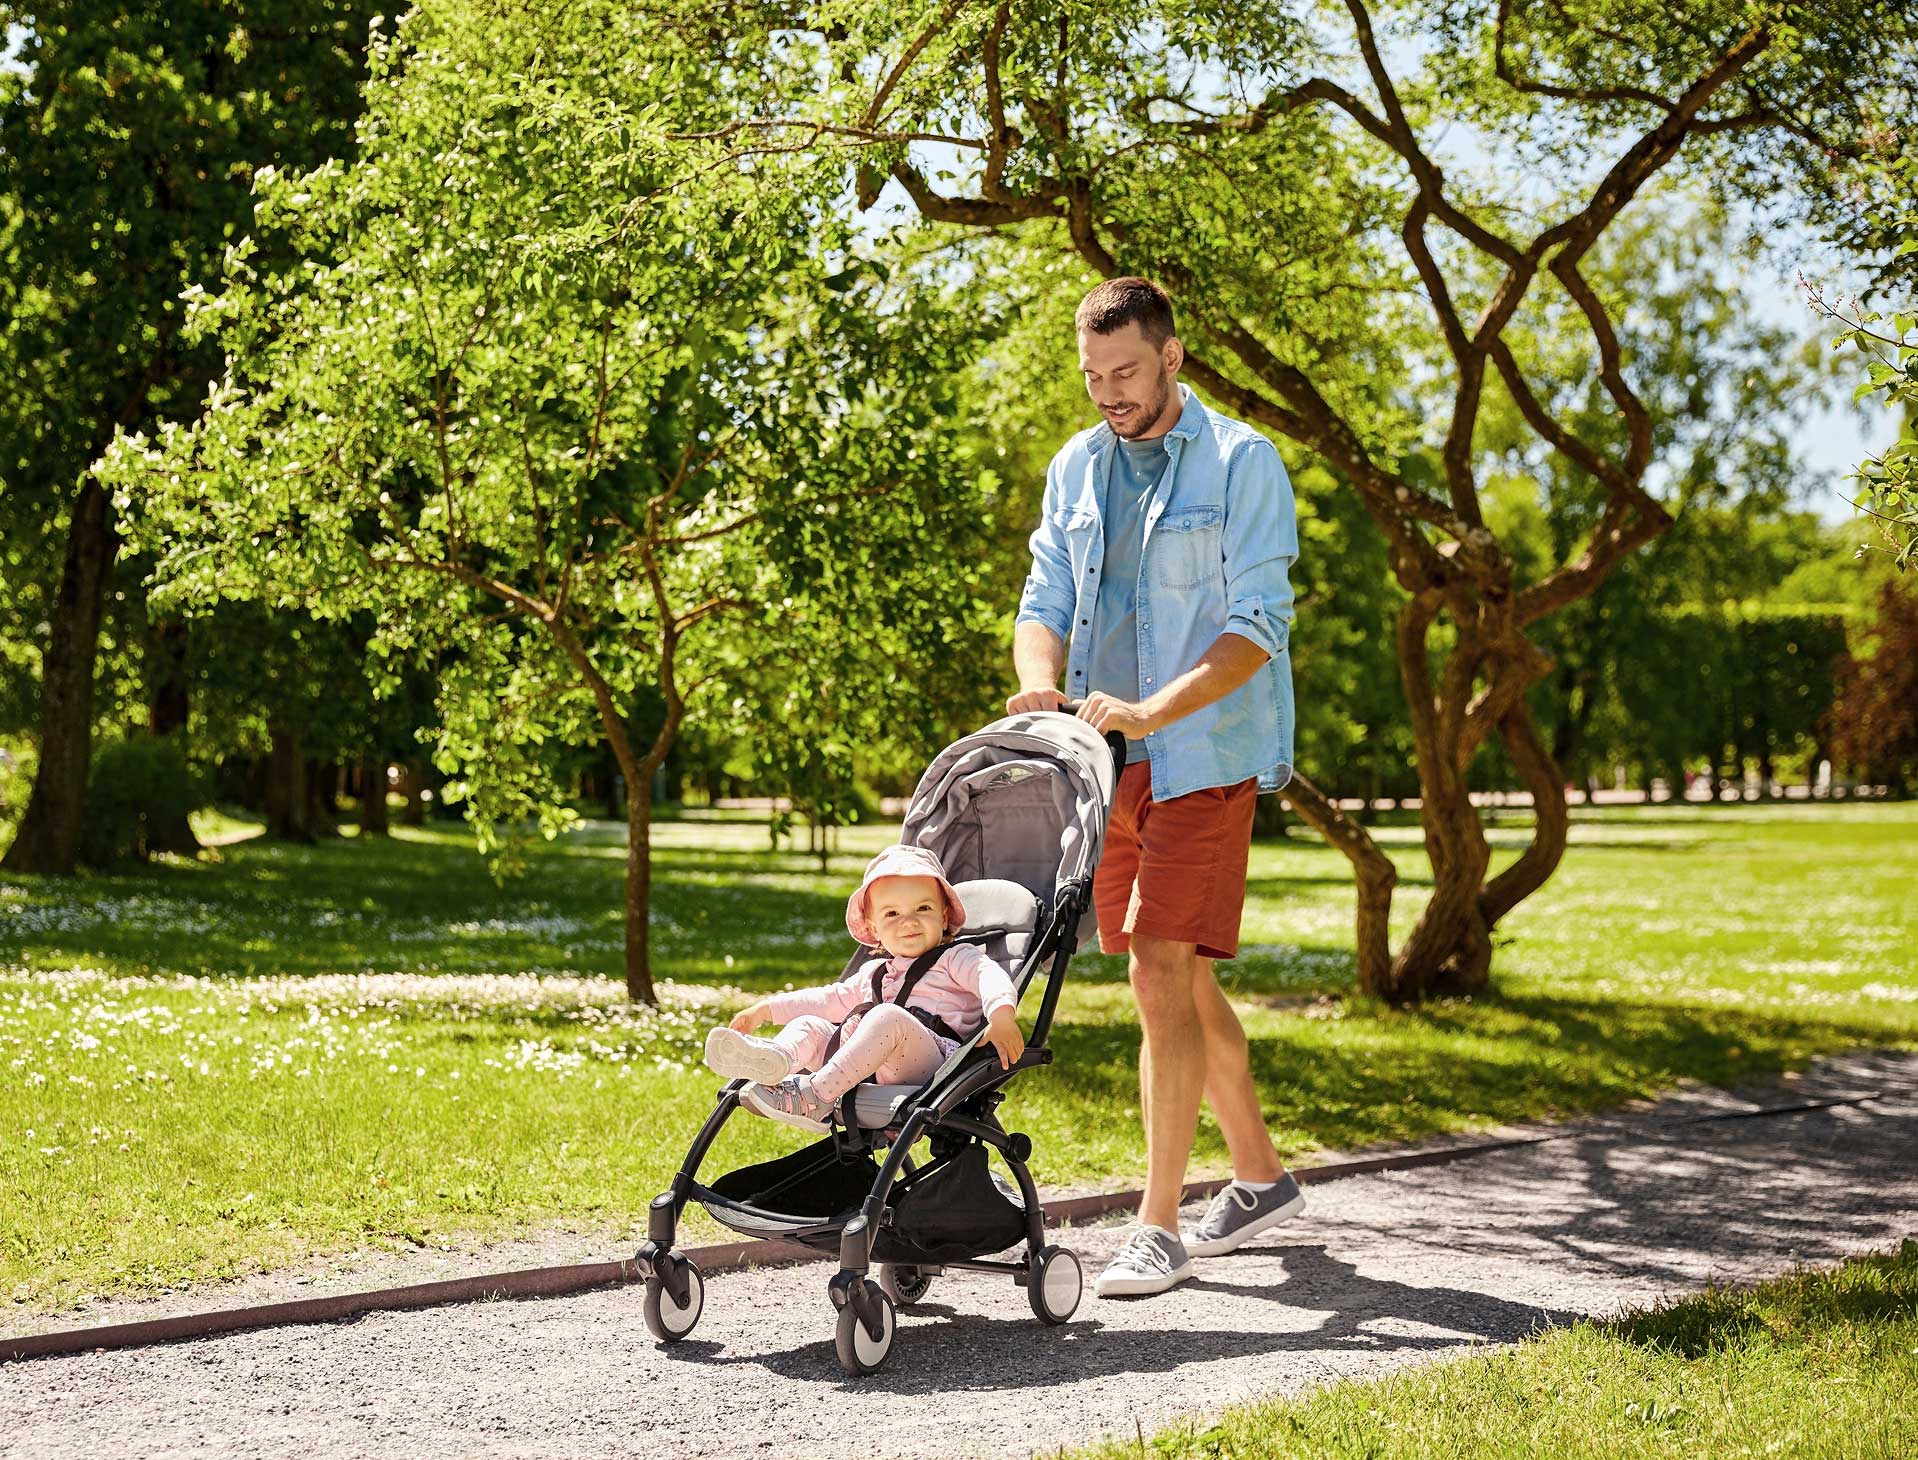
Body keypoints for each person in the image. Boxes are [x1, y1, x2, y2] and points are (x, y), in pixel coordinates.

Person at [1007, 277, 1305, 1298]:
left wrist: (1150, 711)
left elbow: (1257, 627)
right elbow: (1044, 595)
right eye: (1092, 377)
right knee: (1171, 971)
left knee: (1155, 974)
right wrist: (1038, 677)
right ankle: (1259, 1175)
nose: (1108, 393)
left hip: (1201, 756)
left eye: (1125, 372)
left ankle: (1158, 1223)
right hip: (1106, 767)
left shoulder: (1240, 463)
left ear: (1172, 356)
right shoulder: (1078, 468)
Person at [706, 845, 1024, 1132]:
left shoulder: (955, 958)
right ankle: (774, 1060)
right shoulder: (875, 973)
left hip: (933, 1068)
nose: (909, 921)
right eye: (892, 914)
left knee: (887, 1016)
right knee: (811, 1025)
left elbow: (989, 975)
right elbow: (827, 999)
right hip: (868, 1066)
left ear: (943, 915)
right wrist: (766, 1009)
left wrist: (1001, 1014)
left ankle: (816, 1097)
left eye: (923, 909)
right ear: (874, 928)